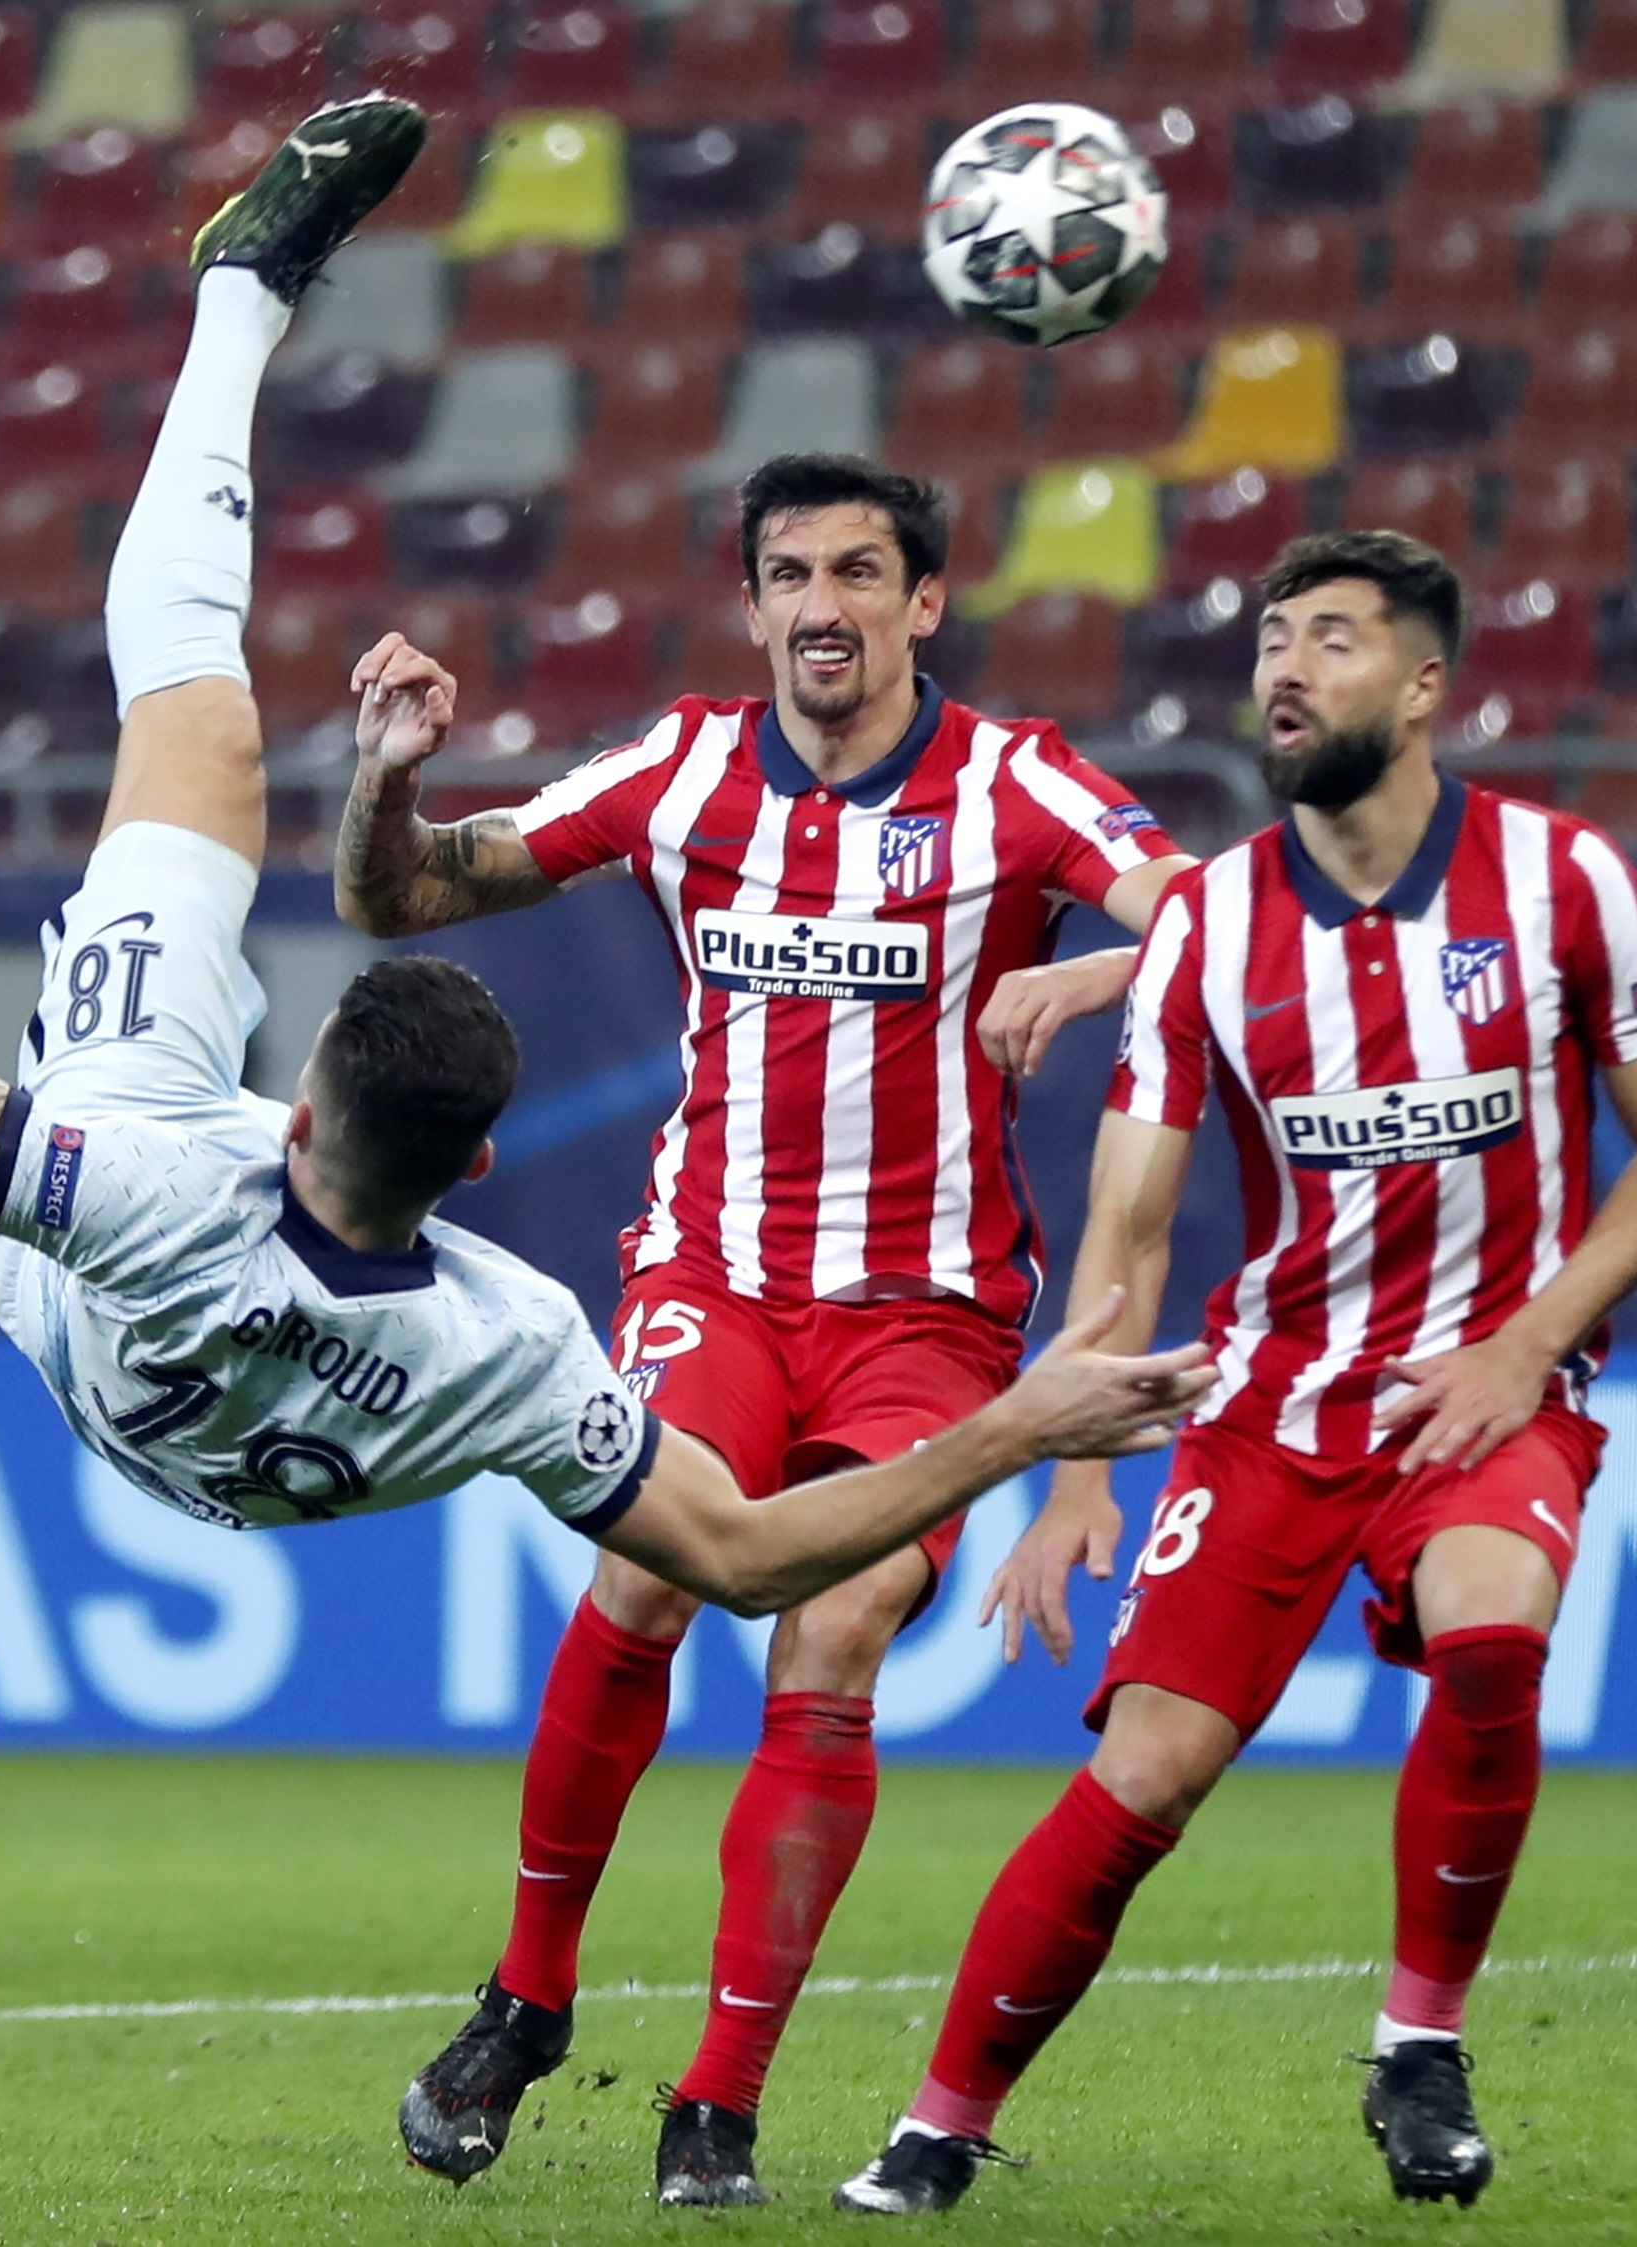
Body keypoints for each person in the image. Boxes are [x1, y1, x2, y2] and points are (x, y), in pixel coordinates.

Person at [0, 103, 1213, 1649]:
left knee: (172, 760)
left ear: (293, 1098)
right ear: (469, 1166)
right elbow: (743, 1557)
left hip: (105, 1274)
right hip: (235, 1450)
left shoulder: (151, 1175)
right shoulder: (516, 1339)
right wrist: (1022, 1433)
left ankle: (237, 304)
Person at [830, 530, 1637, 2217]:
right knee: (1146, 1775)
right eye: (1271, 640)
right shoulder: (1210, 930)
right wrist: (1079, 1468)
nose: (1286, 670)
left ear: (1424, 685)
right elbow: (1132, 1217)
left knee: (1488, 1633)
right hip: (1269, 1409)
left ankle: (1419, 2047)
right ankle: (937, 2126)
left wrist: (1525, 1345)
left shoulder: (1563, 883)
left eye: (1331, 638)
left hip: (1487, 1394)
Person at [342, 455, 1197, 2203]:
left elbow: (1228, 922)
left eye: (862, 573)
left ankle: (717, 2103)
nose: (825, 605)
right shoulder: (681, 769)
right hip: (712, 1277)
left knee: (845, 1627)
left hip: (929, 1320)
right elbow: (406, 895)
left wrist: (1092, 970)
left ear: (924, 603)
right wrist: (383, 780)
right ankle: (527, 1997)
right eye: (792, 574)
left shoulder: (1017, 788)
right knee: (648, 1574)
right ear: (751, 607)